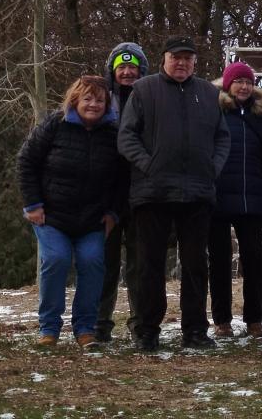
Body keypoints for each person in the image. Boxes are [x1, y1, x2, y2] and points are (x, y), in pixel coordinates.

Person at [118, 35, 230, 351]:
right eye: (175, 57)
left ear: (194, 62)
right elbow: (126, 137)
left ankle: (195, 331)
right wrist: (149, 165)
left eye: (187, 58)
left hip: (197, 193)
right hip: (152, 193)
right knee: (149, 264)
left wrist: (212, 168)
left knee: (196, 265)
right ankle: (147, 331)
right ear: (164, 59)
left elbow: (222, 138)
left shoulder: (209, 94)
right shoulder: (143, 90)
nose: (181, 63)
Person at [17, 74, 120, 348]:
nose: (93, 104)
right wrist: (33, 205)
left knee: (93, 262)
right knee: (56, 260)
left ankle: (85, 329)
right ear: (75, 100)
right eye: (88, 98)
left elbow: (122, 178)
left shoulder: (113, 133)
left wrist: (113, 213)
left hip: (92, 220)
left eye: (100, 100)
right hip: (51, 216)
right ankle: (49, 328)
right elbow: (26, 161)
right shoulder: (55, 124)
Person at [208, 61, 262, 337]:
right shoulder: (214, 111)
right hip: (218, 197)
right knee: (219, 261)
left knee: (254, 260)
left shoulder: (260, 117)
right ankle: (222, 320)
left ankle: (255, 320)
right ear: (228, 84)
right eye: (239, 81)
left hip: (252, 199)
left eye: (248, 82)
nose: (244, 87)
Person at [95, 41, 149, 343]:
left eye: (133, 67)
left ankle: (140, 323)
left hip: (141, 192)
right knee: (105, 263)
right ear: (113, 71)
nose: (127, 72)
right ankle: (100, 323)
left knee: (139, 265)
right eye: (122, 67)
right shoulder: (101, 100)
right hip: (107, 194)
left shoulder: (151, 99)